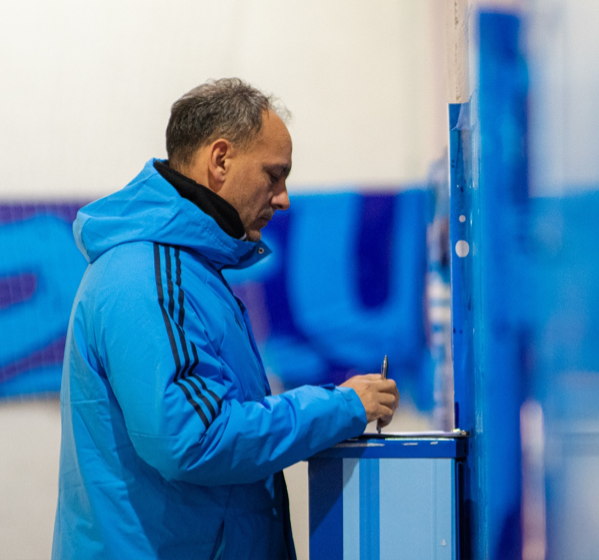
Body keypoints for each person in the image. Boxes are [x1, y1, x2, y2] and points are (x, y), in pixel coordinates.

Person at [51, 78, 400, 560]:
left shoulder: (187, 270)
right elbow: (194, 438)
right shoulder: (149, 276)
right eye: (273, 175)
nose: (283, 198)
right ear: (220, 160)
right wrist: (342, 407)